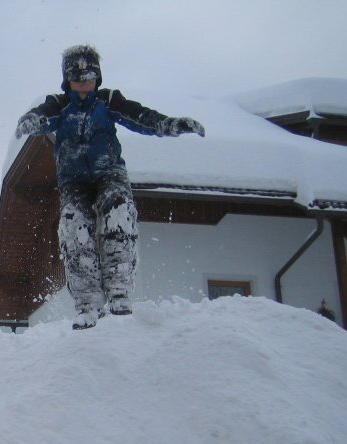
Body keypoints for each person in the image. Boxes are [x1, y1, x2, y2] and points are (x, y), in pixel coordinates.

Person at [15, 44, 205, 330]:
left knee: (118, 213)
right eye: (78, 80)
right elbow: (44, 115)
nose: (84, 85)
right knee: (74, 227)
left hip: (109, 173)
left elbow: (141, 117)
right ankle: (87, 302)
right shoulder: (59, 104)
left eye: (90, 79)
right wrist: (31, 121)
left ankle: (118, 287)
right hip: (74, 180)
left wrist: (171, 125)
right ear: (67, 81)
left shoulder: (108, 101)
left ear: (98, 78)